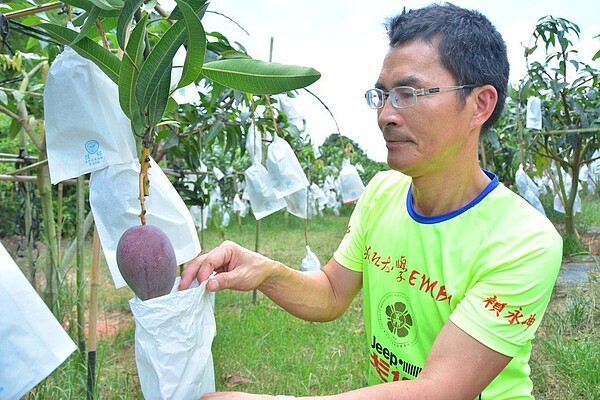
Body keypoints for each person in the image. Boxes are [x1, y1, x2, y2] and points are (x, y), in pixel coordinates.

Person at [179, 3, 563, 399]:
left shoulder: (524, 241)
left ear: (479, 104)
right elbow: (330, 292)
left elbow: (441, 390)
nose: (385, 115)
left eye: (408, 93)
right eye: (381, 95)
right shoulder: (382, 193)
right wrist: (266, 272)